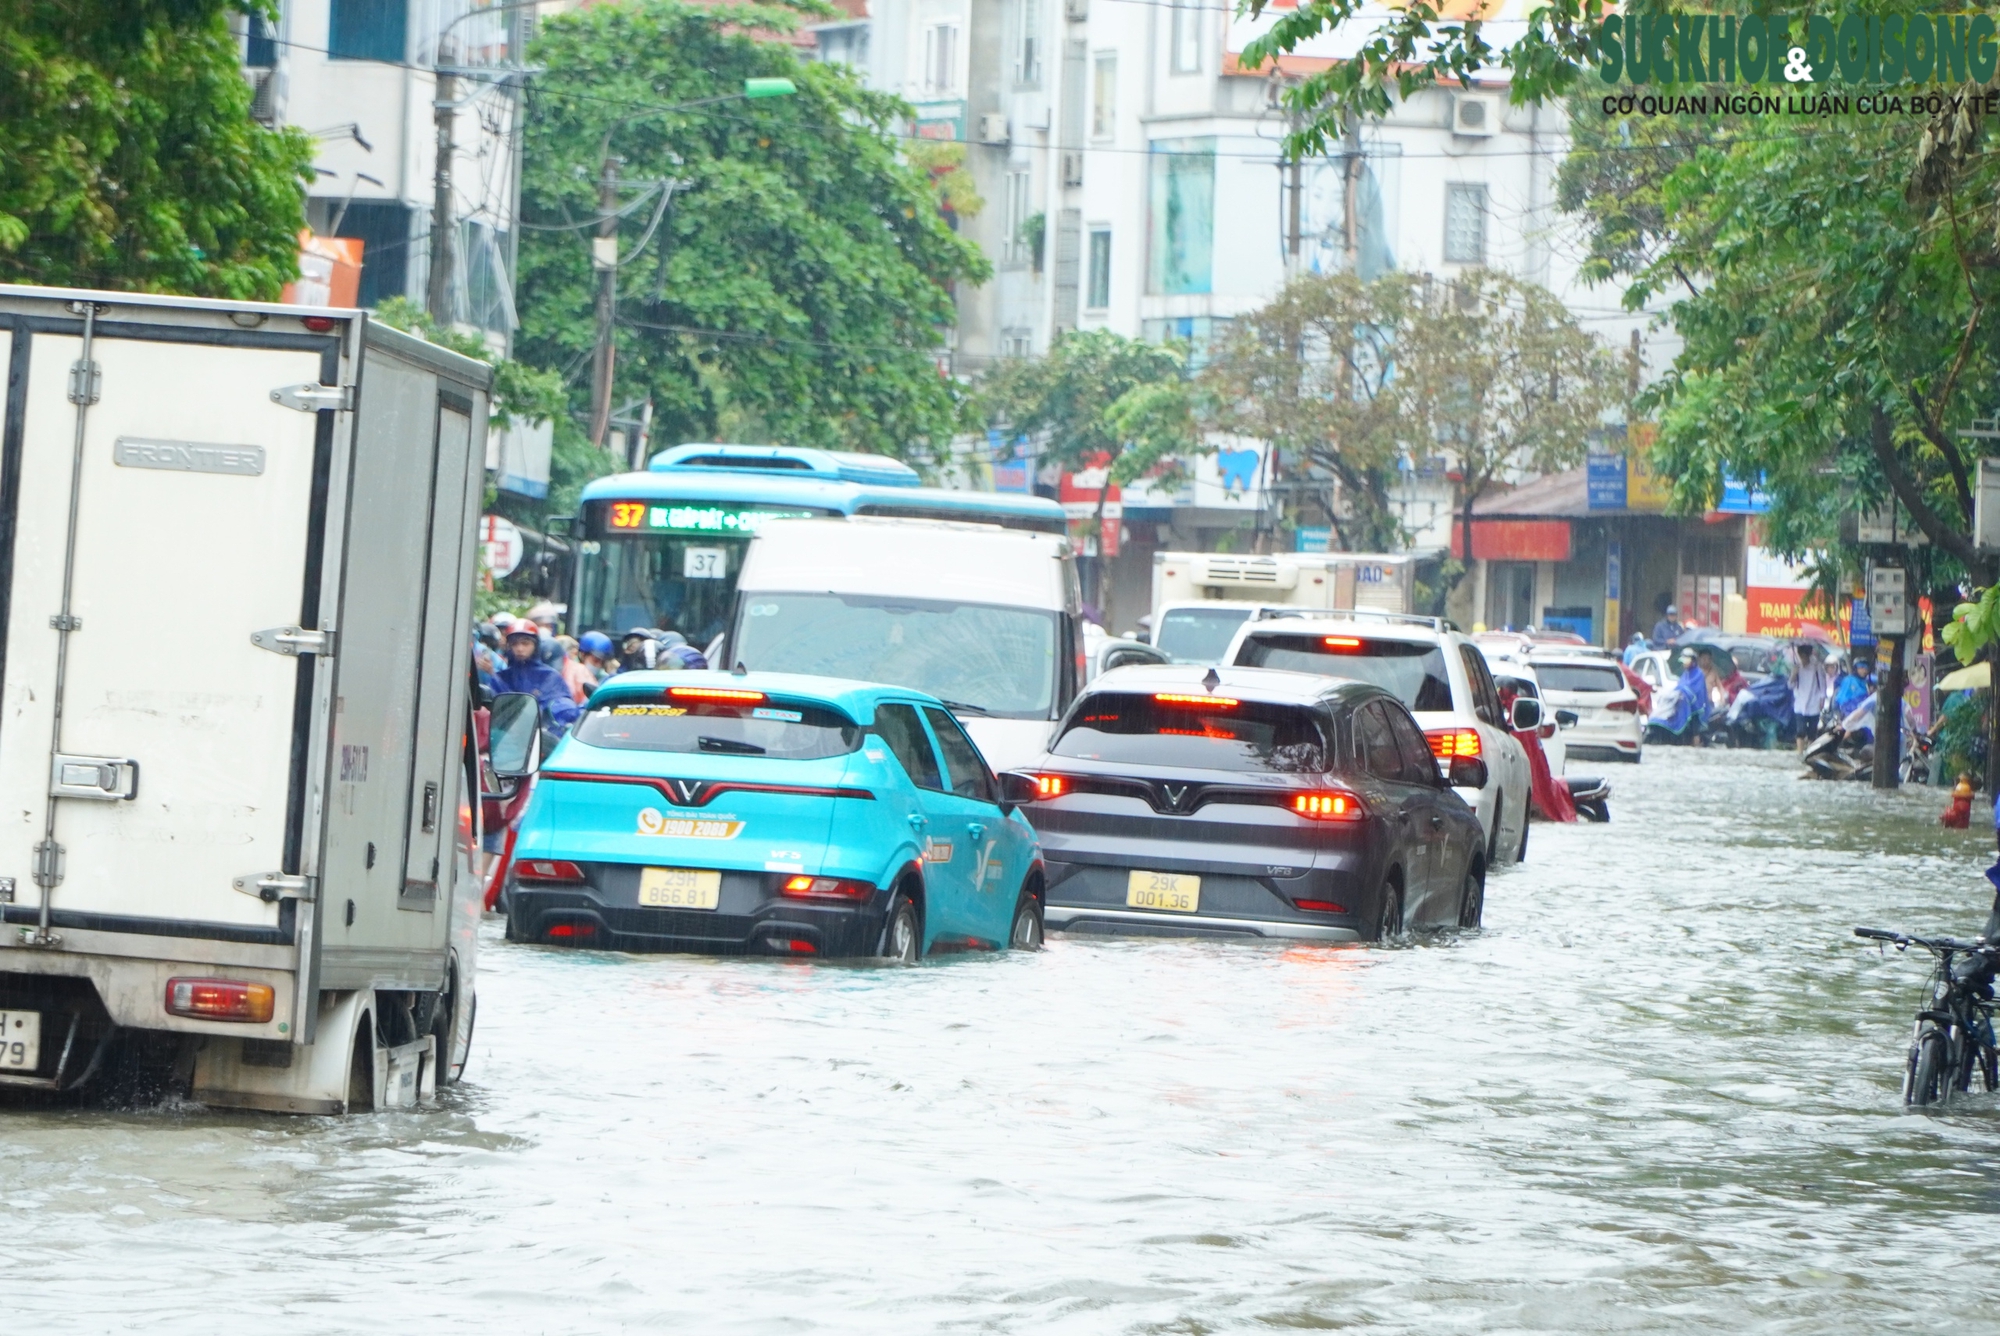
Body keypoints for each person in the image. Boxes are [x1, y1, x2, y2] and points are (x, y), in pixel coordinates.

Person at [494, 622, 581, 728]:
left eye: (525, 643)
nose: (520, 648)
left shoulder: (550, 676)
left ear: (535, 645)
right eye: (514, 644)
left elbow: (563, 709)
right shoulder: (501, 677)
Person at [1790, 643, 1830, 750]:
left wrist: (1822, 699)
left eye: (1804, 656)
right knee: (1800, 730)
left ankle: (1810, 751)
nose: (1803, 659)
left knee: (1812, 731)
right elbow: (1790, 685)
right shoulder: (1796, 667)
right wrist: (1794, 674)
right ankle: (1800, 752)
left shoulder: (1817, 667)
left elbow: (1822, 685)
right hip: (1800, 702)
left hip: (1814, 702)